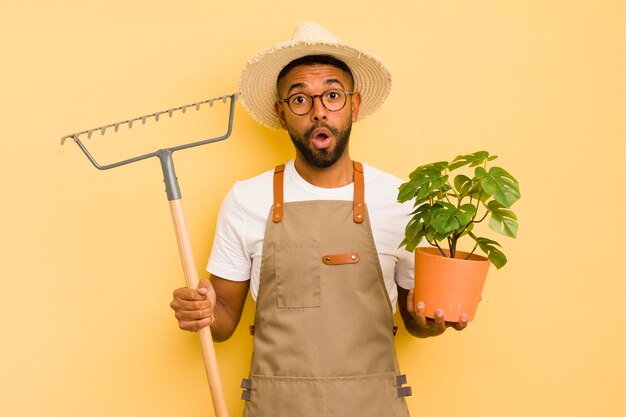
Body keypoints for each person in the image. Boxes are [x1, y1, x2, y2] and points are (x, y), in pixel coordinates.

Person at [170, 22, 467, 416]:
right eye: (300, 100)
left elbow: (415, 318)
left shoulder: (398, 200)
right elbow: (223, 321)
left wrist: (431, 321)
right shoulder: (247, 200)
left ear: (354, 105)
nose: (318, 111)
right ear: (280, 113)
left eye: (332, 95)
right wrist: (204, 312)